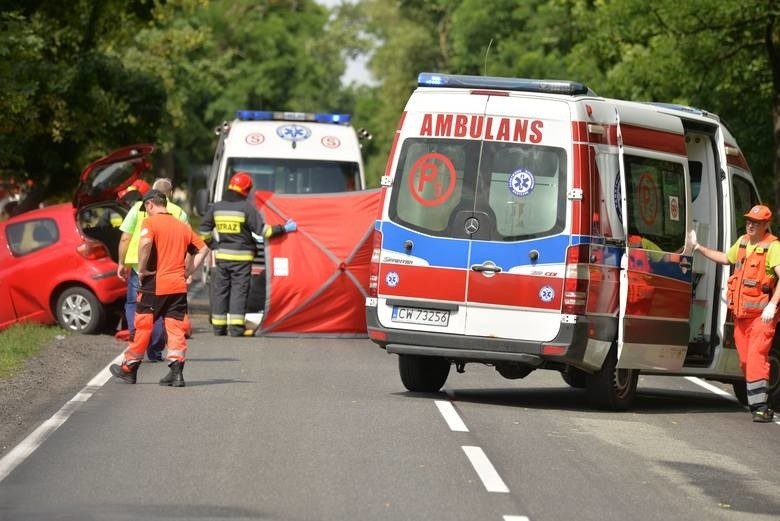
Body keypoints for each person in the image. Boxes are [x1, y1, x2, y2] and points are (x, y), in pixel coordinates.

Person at [687, 204, 780, 422]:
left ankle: (760, 407)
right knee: (746, 362)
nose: (750, 224)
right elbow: (725, 259)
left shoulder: (773, 247)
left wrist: (773, 305)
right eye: (749, 220)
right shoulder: (742, 242)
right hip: (741, 317)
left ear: (765, 225)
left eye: (755, 222)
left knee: (757, 357)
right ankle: (759, 403)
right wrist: (698, 247)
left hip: (762, 317)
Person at [110, 190, 209, 387]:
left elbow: (145, 244)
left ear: (149, 205)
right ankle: (176, 372)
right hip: (177, 285)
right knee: (175, 327)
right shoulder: (182, 227)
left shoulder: (150, 222)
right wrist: (188, 271)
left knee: (143, 325)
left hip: (154, 284)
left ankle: (130, 367)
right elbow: (204, 248)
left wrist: (144, 268)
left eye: (146, 209)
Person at [198, 171, 297, 337]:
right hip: (242, 259)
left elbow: (203, 231)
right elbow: (264, 231)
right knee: (239, 291)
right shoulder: (246, 208)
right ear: (246, 189)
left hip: (222, 257)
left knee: (220, 291)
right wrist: (284, 228)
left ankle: (219, 328)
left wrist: (215, 246)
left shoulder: (218, 207)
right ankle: (236, 329)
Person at [117, 178, 188, 360]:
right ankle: (155, 350)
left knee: (135, 304)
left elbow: (126, 237)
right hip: (165, 265)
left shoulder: (139, 207)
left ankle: (136, 337)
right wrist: (185, 270)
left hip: (137, 265)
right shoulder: (178, 212)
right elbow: (189, 243)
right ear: (170, 194)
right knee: (158, 309)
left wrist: (121, 262)